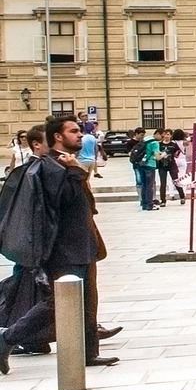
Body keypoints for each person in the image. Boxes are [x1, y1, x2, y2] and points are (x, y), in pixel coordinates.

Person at [0, 114, 117, 374]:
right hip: (64, 248)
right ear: (58, 137)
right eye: (74, 131)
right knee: (57, 302)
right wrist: (76, 171)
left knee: (88, 300)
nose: (80, 135)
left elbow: (87, 204)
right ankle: (7, 338)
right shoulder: (50, 167)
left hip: (82, 243)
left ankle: (89, 353)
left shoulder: (66, 164)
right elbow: (62, 203)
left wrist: (76, 169)